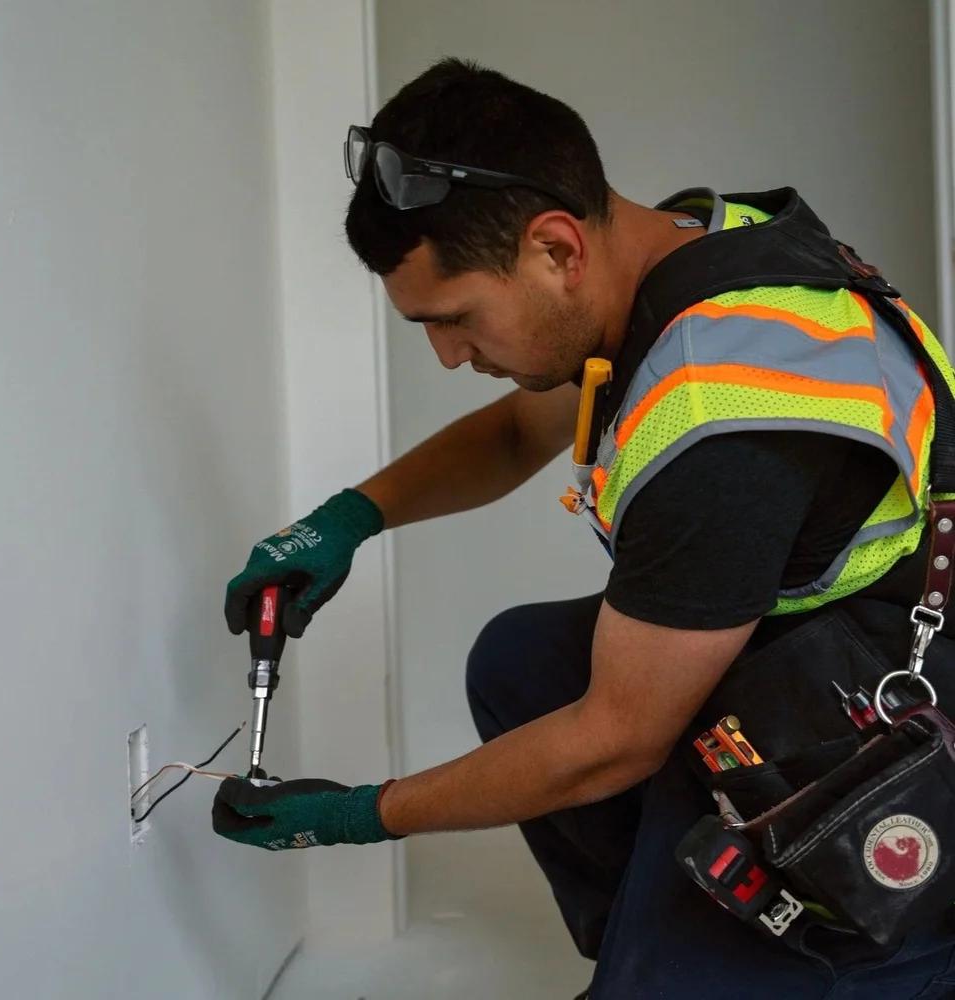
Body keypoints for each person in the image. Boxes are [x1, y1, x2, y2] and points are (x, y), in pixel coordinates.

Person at [211, 59, 955, 998]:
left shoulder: (722, 420)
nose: (447, 356)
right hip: (795, 640)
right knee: (521, 662)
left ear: (557, 249)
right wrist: (348, 520)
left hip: (890, 715)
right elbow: (523, 429)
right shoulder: (682, 252)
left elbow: (615, 739)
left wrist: (363, 815)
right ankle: (666, 931)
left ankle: (880, 958)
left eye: (456, 319)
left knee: (609, 768)